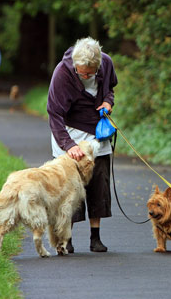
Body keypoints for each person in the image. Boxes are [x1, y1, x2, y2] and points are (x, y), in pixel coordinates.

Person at [47, 37, 118, 253]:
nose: (85, 76)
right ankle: (67, 238)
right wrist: (69, 145)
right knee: (69, 189)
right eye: (82, 72)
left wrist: (108, 102)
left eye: (89, 73)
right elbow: (54, 113)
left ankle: (95, 237)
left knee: (99, 181)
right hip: (69, 131)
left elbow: (110, 89)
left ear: (98, 65)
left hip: (97, 132)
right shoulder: (62, 72)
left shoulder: (106, 62)